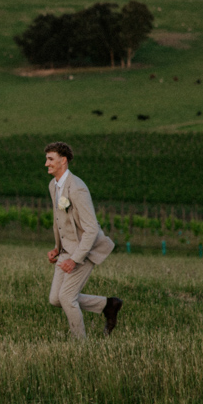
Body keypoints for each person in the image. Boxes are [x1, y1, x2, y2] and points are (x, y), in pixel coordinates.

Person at [44, 141, 122, 339]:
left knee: (66, 297)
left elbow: (91, 229)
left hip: (85, 249)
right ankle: (108, 305)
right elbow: (59, 221)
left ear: (63, 161)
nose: (46, 164)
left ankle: (80, 345)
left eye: (50, 159)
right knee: (55, 299)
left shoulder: (77, 189)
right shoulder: (53, 186)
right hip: (66, 249)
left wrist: (76, 259)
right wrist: (57, 247)